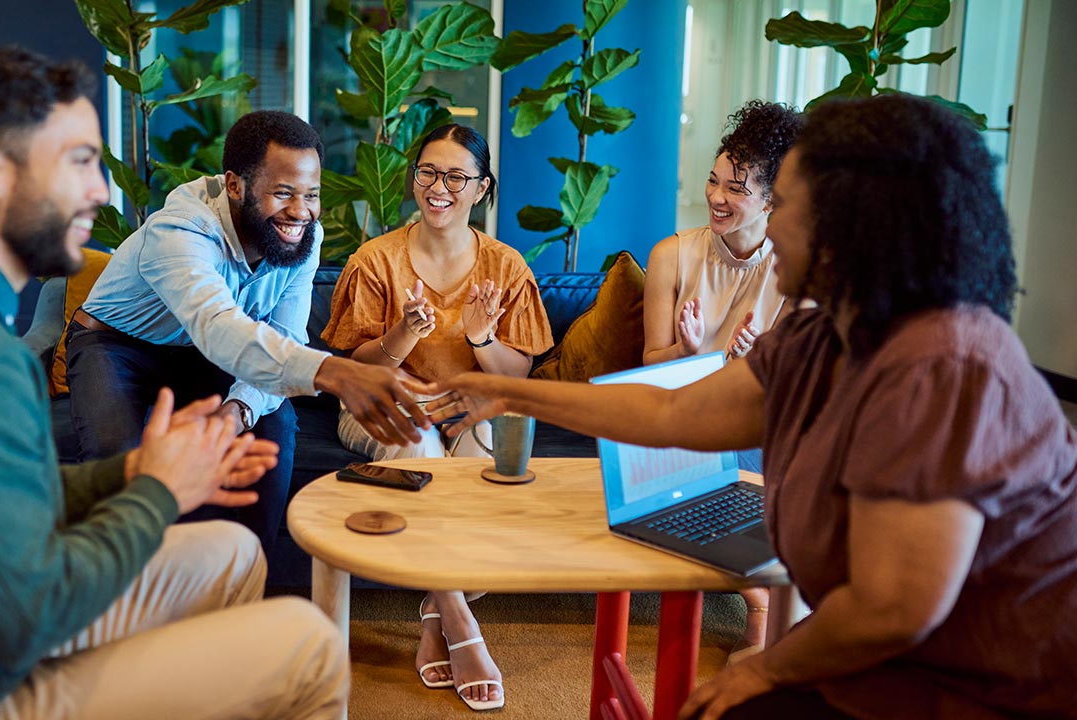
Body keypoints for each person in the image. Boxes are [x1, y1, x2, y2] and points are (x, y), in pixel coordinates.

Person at [419, 93, 1077, 719]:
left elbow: (893, 607)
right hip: (906, 672)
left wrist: (763, 667)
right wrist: (508, 391)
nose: (770, 221)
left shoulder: (942, 363)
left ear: (850, 224)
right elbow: (673, 415)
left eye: (783, 202)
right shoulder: (824, 335)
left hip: (1000, 691)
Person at [0, 44, 348, 720]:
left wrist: (134, 471)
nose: (99, 191)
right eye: (80, 163)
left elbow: (0, 494)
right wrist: (156, 492)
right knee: (311, 644)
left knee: (232, 551)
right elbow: (22, 618)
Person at [65, 110, 428, 560]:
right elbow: (218, 327)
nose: (301, 211)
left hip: (206, 351)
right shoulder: (180, 230)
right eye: (283, 193)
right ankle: (121, 594)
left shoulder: (302, 238)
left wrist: (236, 412)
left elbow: (282, 334)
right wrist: (335, 373)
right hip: (118, 345)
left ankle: (247, 580)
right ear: (235, 185)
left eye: (311, 195)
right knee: (117, 454)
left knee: (272, 430)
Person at [321, 124, 553, 711]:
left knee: (485, 457)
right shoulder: (376, 260)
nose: (438, 187)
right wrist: (404, 332)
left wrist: (480, 337)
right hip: (385, 400)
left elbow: (514, 378)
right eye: (428, 173)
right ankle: (457, 615)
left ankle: (432, 615)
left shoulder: (505, 267)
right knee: (419, 440)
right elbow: (356, 365)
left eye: (456, 177)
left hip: (474, 406)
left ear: (482, 188)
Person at [642, 100, 803, 662]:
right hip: (677, 404)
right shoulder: (671, 254)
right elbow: (650, 369)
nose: (716, 196)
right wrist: (692, 353)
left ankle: (762, 596)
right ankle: (761, 604)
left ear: (772, 199)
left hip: (749, 417)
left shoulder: (794, 267)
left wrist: (758, 365)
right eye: (713, 181)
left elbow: (793, 384)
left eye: (736, 188)